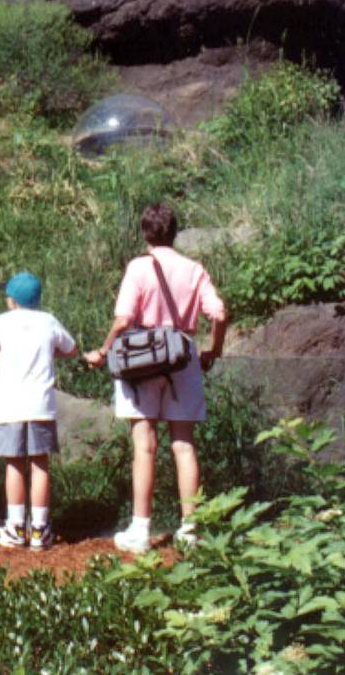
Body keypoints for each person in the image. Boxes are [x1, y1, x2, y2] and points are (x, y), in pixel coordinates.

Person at [84, 202, 228, 554]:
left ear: (145, 233)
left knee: (144, 445)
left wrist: (103, 353)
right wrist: (213, 350)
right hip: (184, 357)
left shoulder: (138, 267)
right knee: (183, 444)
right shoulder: (194, 269)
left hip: (143, 358)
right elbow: (219, 313)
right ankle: (191, 529)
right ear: (175, 231)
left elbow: (122, 320)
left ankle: (140, 529)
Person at [0, 271, 77, 550]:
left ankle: (16, 526)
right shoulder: (48, 321)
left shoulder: (4, 322)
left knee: (14, 463)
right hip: (41, 404)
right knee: (40, 463)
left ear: (11, 300)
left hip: (10, 405)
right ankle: (40, 529)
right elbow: (71, 348)